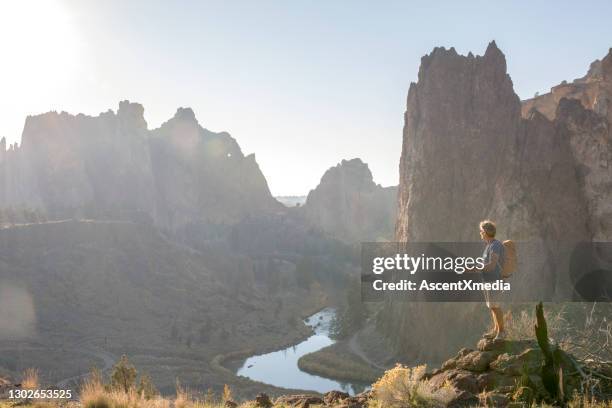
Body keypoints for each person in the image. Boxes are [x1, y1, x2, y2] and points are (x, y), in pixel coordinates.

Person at [469, 220, 506, 340]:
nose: (480, 233)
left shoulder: (495, 245)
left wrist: (475, 268)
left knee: (496, 306)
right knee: (492, 306)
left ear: (485, 232)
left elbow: (492, 265)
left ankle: (502, 332)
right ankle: (496, 330)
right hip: (488, 281)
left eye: (481, 231)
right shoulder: (489, 246)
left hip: (495, 281)